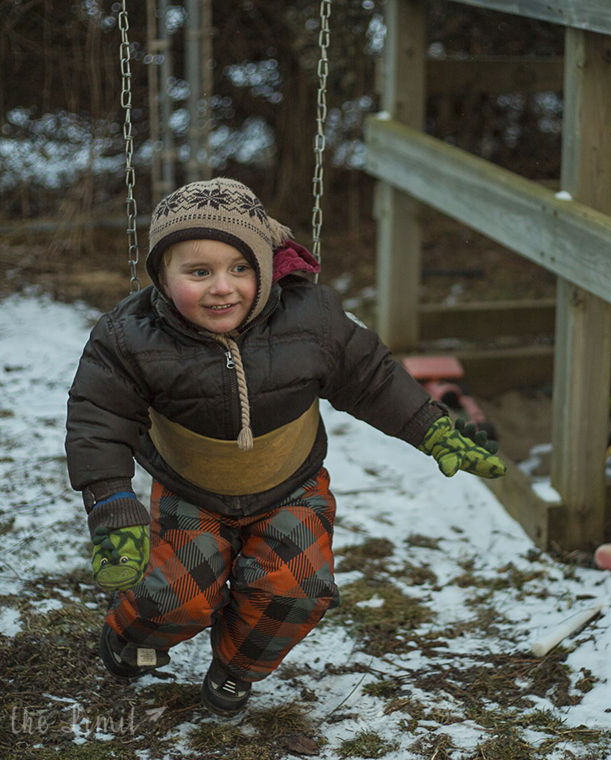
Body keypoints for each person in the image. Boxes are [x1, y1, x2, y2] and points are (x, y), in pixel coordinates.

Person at [65, 177, 506, 717]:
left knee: (296, 588)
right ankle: (131, 635)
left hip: (291, 484)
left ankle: (238, 666)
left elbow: (372, 378)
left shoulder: (311, 319)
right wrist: (110, 499)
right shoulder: (129, 338)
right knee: (177, 595)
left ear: (266, 266)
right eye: (198, 272)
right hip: (191, 489)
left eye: (240, 268)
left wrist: (432, 428)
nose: (223, 288)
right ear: (161, 275)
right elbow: (99, 416)